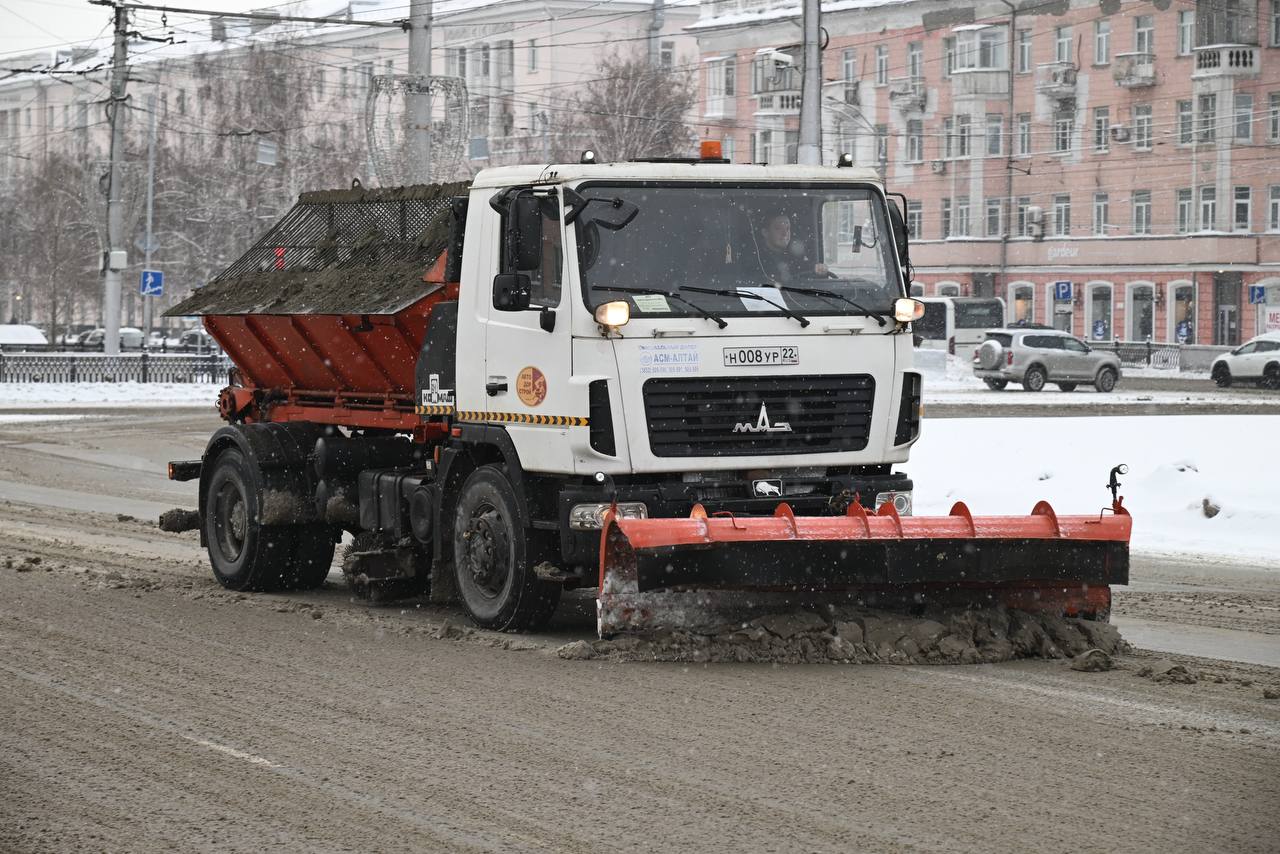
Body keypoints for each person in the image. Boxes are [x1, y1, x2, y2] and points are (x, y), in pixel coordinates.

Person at [753, 211, 828, 284]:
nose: (785, 233)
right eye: (778, 228)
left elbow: (807, 268)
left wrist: (819, 269)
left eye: (787, 228)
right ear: (765, 233)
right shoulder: (756, 259)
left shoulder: (795, 256)